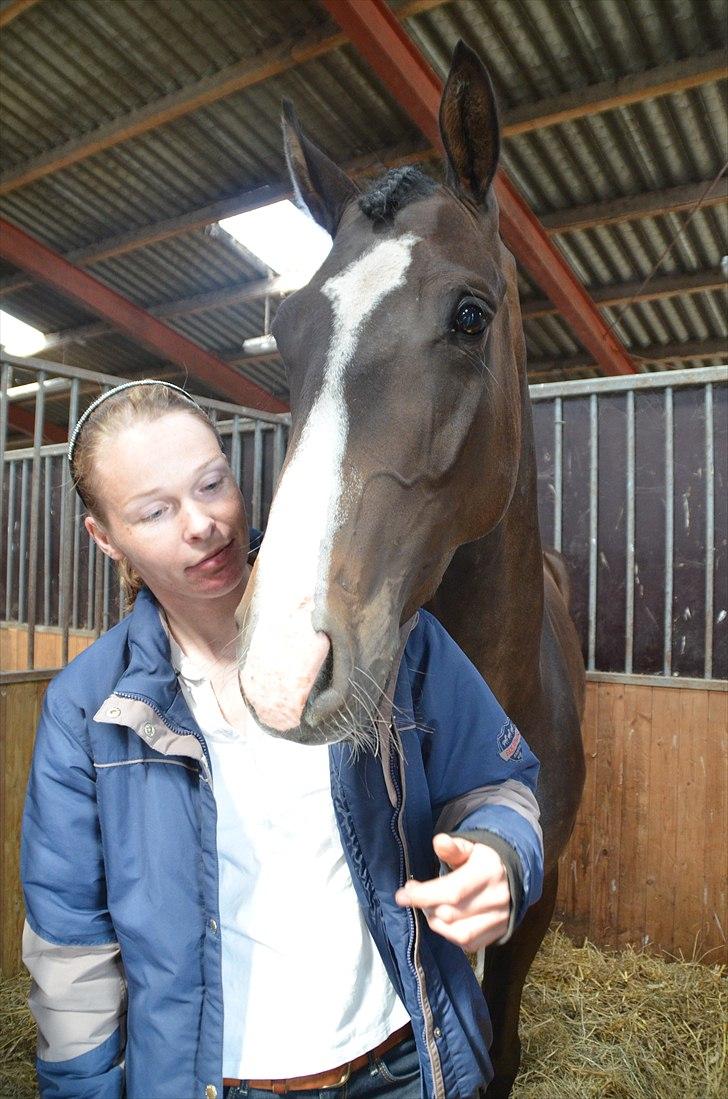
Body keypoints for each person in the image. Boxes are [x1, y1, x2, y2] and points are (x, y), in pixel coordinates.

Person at [21, 380, 544, 1099]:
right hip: (221, 1082)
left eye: (212, 483)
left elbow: (497, 781)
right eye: (155, 511)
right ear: (105, 537)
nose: (202, 523)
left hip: (397, 1063)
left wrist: (498, 852)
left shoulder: (379, 635)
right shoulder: (88, 710)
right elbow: (71, 948)